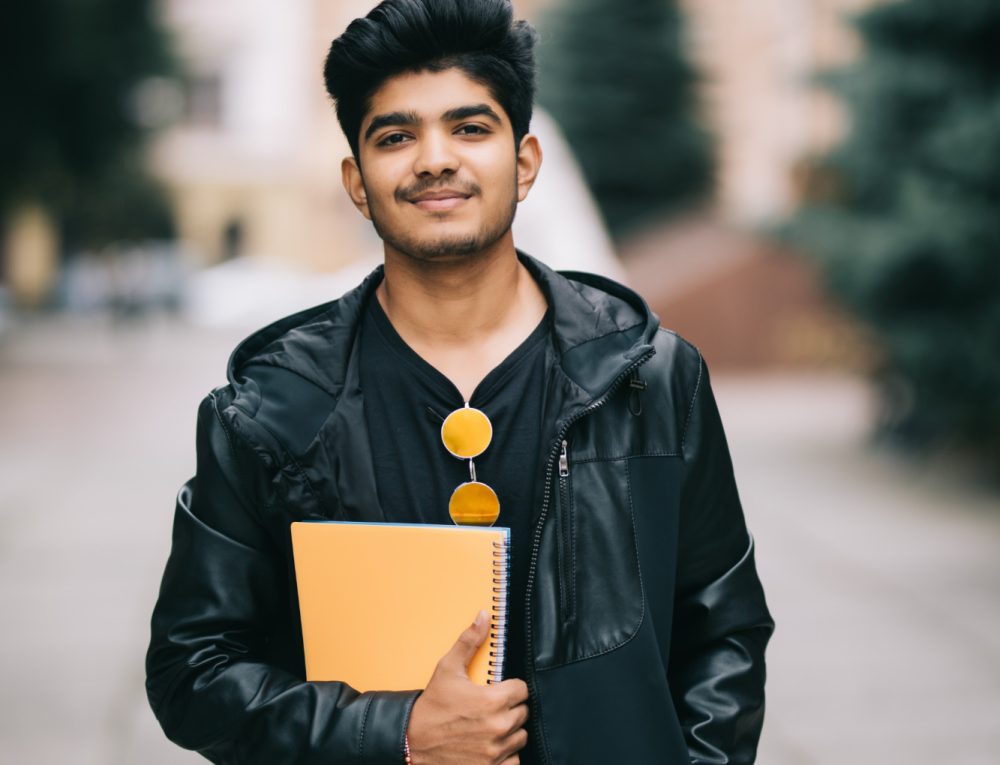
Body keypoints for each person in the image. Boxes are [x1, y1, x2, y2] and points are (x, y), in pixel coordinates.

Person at [145, 1, 774, 763]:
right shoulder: (269, 407)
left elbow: (724, 632)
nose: (434, 158)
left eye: (470, 128)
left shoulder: (651, 377)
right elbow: (193, 669)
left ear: (526, 162)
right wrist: (398, 732)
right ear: (356, 179)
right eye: (396, 135)